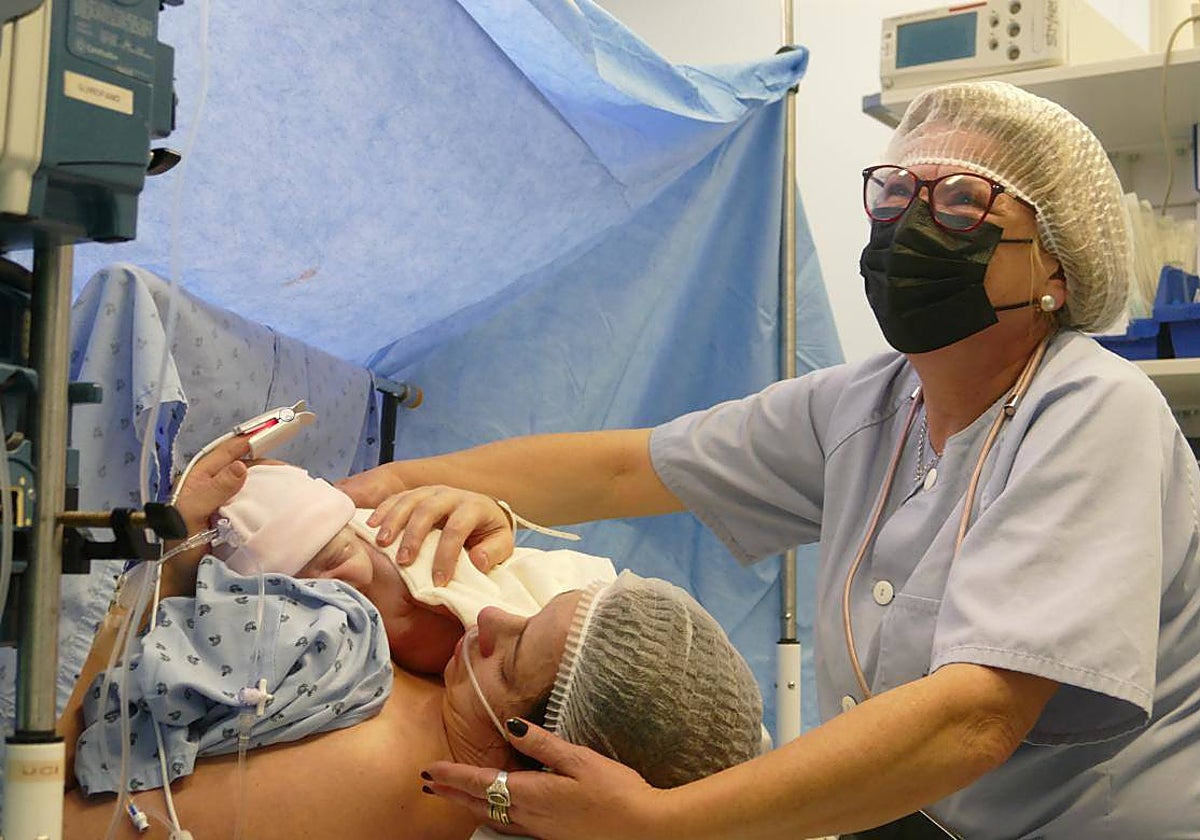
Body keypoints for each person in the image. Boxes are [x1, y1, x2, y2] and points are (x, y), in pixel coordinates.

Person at [338, 80, 1200, 839]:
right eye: (896, 193)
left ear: (1057, 259)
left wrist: (665, 824)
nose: (912, 227)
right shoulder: (866, 403)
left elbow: (978, 714)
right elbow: (626, 469)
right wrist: (381, 491)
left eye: (964, 202)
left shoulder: (1095, 412)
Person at [59, 438, 763, 839]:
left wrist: (161, 563)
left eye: (512, 652)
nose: (489, 619)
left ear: (537, 753)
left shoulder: (390, 775)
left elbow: (52, 817)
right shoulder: (439, 704)